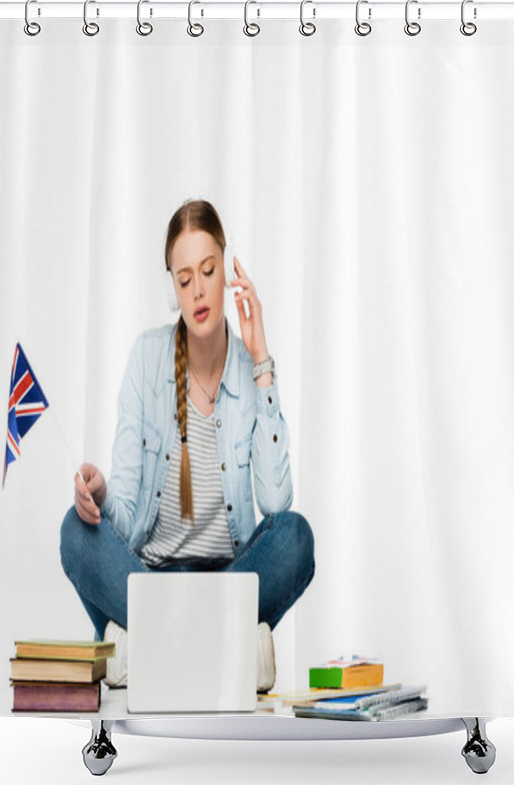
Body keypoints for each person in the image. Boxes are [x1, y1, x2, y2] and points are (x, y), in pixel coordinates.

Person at [59, 198, 315, 692]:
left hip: (228, 584)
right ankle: (230, 653)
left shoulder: (246, 366)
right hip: (149, 582)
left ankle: (142, 654)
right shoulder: (147, 359)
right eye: (184, 279)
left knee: (296, 537)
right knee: (75, 531)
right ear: (172, 288)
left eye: (209, 271)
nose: (198, 290)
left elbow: (276, 504)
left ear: (227, 269)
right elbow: (129, 525)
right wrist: (102, 495)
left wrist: (262, 361)